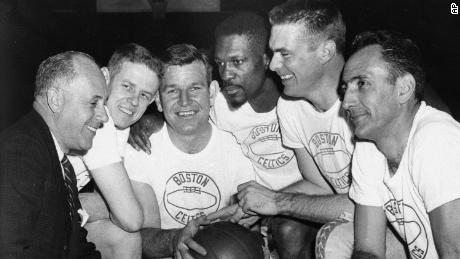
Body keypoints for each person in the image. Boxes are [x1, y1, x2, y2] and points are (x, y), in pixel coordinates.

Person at [123, 43, 255, 258]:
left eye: (194, 88)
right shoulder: (140, 150)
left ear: (212, 92)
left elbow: (249, 225)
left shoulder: (237, 147)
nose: (185, 101)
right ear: (158, 100)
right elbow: (143, 238)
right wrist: (178, 238)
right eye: (173, 90)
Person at [343, 30, 460, 259]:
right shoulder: (369, 147)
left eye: (362, 83)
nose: (346, 102)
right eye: (345, 88)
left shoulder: (437, 140)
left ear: (404, 89)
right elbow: (368, 250)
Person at [0, 51, 107, 258]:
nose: (104, 116)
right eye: (94, 103)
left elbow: (77, 249)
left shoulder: (55, 158)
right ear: (56, 99)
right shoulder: (20, 153)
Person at [71, 43, 162, 259]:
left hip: (52, 210)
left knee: (124, 238)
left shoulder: (121, 128)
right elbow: (130, 219)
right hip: (25, 215)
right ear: (104, 77)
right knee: (129, 231)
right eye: (127, 86)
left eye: (144, 95)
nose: (133, 101)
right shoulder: (98, 120)